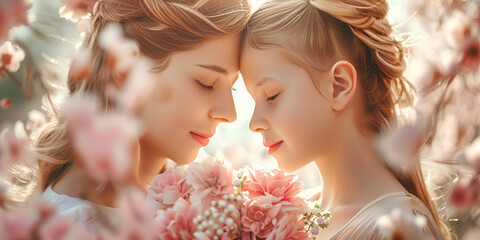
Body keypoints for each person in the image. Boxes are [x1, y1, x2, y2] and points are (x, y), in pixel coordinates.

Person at [240, 0, 449, 239]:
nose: (254, 122)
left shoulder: (398, 229)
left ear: (339, 86)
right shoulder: (287, 216)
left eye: (271, 96)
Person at [34, 0, 249, 226]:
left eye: (233, 87)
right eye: (207, 83)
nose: (230, 113)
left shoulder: (203, 198)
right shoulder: (69, 226)